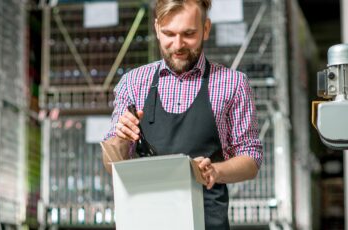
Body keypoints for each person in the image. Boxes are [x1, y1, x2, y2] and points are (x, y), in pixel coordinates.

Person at [101, 0, 263, 229]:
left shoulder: (233, 84)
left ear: (206, 29)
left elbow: (251, 158)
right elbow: (111, 165)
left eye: (188, 34)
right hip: (145, 220)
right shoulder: (133, 83)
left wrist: (215, 171)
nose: (178, 45)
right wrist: (120, 138)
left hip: (207, 222)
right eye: (169, 33)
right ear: (157, 28)